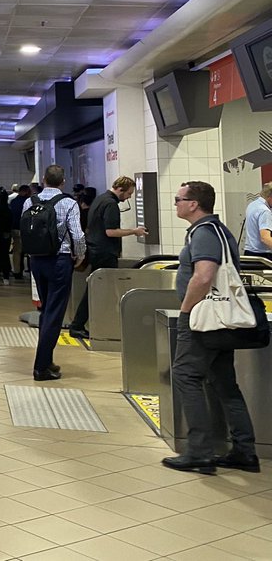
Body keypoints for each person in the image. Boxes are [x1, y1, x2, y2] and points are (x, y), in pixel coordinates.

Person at [164, 180, 258, 474]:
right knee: (224, 383)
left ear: (194, 204)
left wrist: (186, 310)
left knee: (185, 377)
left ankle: (200, 451)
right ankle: (244, 451)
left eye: (179, 199)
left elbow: (203, 276)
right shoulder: (218, 231)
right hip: (223, 322)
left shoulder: (204, 233)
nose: (176, 204)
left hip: (203, 319)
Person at [23, 165, 85, 381]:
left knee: (46, 310)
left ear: (43, 179)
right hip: (59, 261)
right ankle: (41, 367)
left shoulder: (29, 202)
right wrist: (80, 255)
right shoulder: (69, 203)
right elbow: (77, 235)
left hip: (37, 261)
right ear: (63, 182)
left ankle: (47, 361)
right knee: (54, 313)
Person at [69, 177, 147, 340]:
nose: (129, 197)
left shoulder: (100, 199)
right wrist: (134, 231)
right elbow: (111, 231)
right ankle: (78, 325)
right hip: (105, 252)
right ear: (120, 189)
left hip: (95, 249)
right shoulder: (111, 204)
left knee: (94, 289)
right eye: (129, 193)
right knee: (96, 290)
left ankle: (82, 323)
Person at [241, 183, 272, 261]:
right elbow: (265, 238)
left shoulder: (252, 205)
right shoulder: (264, 211)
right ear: (270, 197)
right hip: (262, 256)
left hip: (249, 253)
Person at [8, 184, 32, 279]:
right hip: (25, 229)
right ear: (25, 191)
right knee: (30, 251)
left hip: (15, 228)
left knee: (17, 251)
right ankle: (30, 271)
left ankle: (17, 271)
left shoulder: (13, 202)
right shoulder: (28, 202)